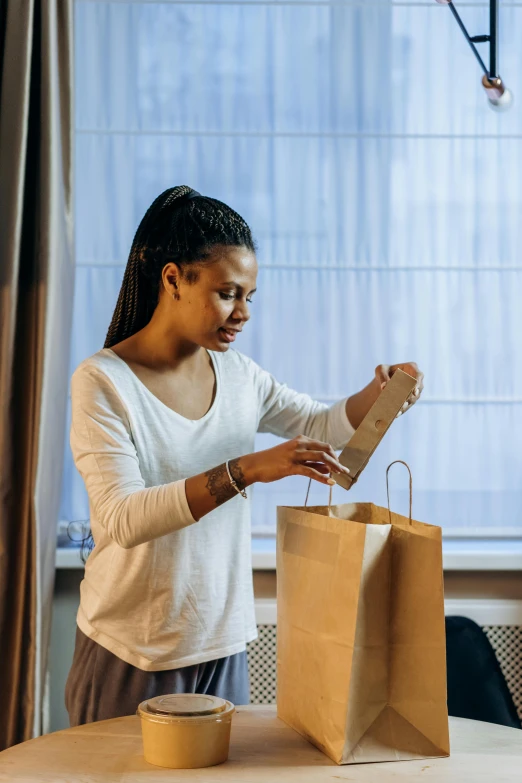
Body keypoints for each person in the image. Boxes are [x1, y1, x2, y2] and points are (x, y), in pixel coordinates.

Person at [65, 185, 424, 726]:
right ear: (172, 279)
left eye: (249, 297)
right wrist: (248, 469)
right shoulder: (102, 382)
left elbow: (323, 426)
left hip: (223, 645)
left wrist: (384, 393)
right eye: (229, 293)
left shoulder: (238, 375)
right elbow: (121, 519)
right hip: (130, 651)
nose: (243, 313)